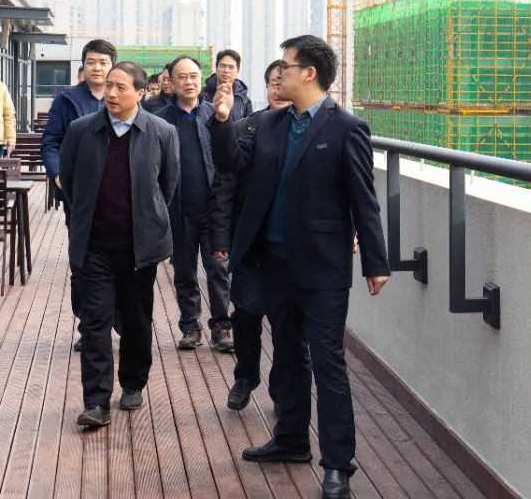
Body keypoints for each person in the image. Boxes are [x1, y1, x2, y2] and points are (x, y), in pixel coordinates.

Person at [210, 35, 390, 499]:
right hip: (273, 264)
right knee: (288, 356)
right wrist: (222, 120)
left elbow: (363, 200)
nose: (279, 74)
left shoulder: (347, 128)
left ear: (309, 73)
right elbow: (231, 161)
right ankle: (291, 440)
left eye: (286, 66)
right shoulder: (268, 123)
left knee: (328, 364)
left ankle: (338, 464)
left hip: (322, 268)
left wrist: (375, 261)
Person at [58, 61, 179, 428]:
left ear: (140, 93)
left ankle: (132, 382)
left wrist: (145, 221)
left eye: (121, 87)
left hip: (139, 249)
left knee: (136, 320)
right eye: (109, 85)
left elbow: (167, 187)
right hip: (94, 245)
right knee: (94, 323)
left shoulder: (162, 132)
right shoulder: (82, 130)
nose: (111, 93)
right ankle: (96, 401)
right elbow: (70, 183)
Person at [208, 59, 291, 409]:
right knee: (245, 314)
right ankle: (245, 376)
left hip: (290, 249)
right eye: (273, 83)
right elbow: (223, 188)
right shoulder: (245, 128)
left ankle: (282, 388)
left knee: (287, 325)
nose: (280, 89)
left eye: (285, 82)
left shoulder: (309, 132)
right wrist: (220, 239)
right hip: (250, 245)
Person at [40, 38, 117, 351]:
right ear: (83, 66)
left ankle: (115, 319)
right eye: (91, 62)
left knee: (120, 260)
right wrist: (58, 174)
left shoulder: (121, 96)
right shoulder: (67, 100)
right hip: (79, 196)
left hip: (119, 196)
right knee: (82, 261)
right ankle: (89, 325)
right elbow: (50, 142)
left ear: (112, 66)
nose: (97, 68)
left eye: (103, 62)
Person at [153, 55, 232, 352]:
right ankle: (190, 324)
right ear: (171, 83)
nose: (189, 82)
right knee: (184, 272)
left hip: (214, 211)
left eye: (194, 76)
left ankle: (222, 325)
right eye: (182, 77)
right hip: (178, 210)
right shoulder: (160, 120)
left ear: (202, 80)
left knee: (218, 270)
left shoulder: (217, 114)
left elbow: (230, 160)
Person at [202, 49, 253, 122]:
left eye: (231, 67)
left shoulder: (244, 100)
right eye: (222, 66)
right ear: (216, 68)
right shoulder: (202, 95)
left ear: (238, 70)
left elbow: (249, 125)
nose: (226, 70)